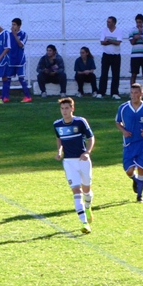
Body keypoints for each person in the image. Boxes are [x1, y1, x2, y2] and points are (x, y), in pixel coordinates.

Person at [54, 97, 95, 233]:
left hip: (83, 160)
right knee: (77, 191)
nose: (64, 111)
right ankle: (84, 223)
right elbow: (59, 139)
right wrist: (59, 151)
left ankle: (88, 207)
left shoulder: (80, 122)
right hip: (69, 162)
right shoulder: (57, 124)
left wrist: (87, 152)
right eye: (62, 108)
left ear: (72, 108)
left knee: (87, 190)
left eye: (67, 108)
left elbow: (91, 138)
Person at [116, 83, 143, 203]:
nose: (133, 95)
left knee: (141, 168)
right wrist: (123, 131)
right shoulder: (123, 108)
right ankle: (135, 180)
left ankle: (139, 195)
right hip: (129, 143)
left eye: (136, 93)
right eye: (132, 93)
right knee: (129, 170)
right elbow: (117, 122)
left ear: (142, 94)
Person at [7, 19, 45, 103]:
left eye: (14, 25)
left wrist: (15, 35)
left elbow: (20, 45)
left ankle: (27, 96)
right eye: (12, 24)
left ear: (19, 26)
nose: (12, 26)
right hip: (10, 60)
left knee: (21, 79)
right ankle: (5, 97)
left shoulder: (23, 34)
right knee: (7, 79)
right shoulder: (8, 35)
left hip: (20, 61)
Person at [98, 16, 123, 99]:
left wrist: (109, 41)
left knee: (115, 74)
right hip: (106, 55)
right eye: (107, 22)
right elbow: (102, 42)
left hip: (115, 55)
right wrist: (112, 41)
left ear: (113, 23)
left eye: (109, 22)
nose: (107, 23)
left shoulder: (118, 31)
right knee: (104, 74)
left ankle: (114, 93)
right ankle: (101, 92)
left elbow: (118, 42)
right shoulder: (104, 30)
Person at [127, 13, 143, 93]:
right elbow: (132, 42)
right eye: (137, 22)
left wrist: (142, 33)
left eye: (140, 22)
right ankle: (132, 91)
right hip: (135, 55)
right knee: (134, 74)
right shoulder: (132, 30)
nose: (138, 24)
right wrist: (137, 35)